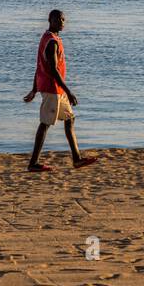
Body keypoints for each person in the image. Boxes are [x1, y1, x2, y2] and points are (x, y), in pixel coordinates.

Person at [23, 9, 97, 172]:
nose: (62, 22)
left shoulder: (50, 38)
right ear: (50, 20)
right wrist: (68, 91)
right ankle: (33, 163)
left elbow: (38, 66)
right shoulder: (51, 41)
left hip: (57, 90)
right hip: (52, 89)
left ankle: (77, 159)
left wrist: (34, 89)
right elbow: (52, 69)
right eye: (58, 20)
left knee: (70, 119)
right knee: (45, 124)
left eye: (63, 20)